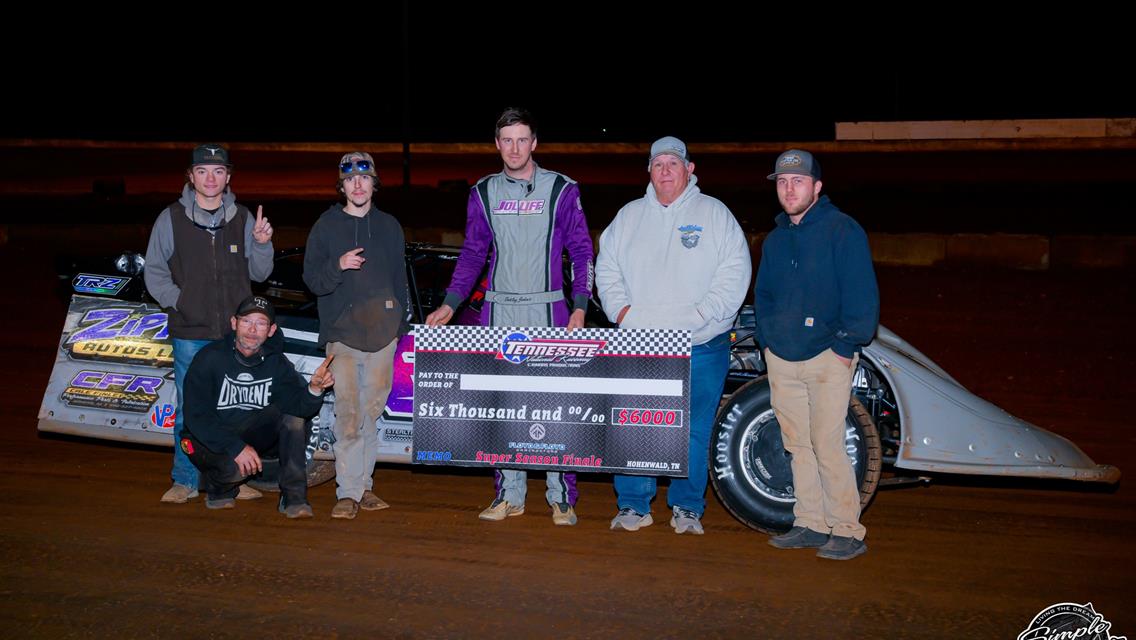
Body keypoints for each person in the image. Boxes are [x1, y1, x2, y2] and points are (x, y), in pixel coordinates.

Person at [424, 107, 594, 526]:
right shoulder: (482, 192)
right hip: (498, 313)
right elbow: (472, 253)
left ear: (534, 142)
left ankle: (561, 497)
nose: (515, 148)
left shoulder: (562, 189)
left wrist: (580, 305)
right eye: (507, 140)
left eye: (522, 139)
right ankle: (509, 494)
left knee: (557, 405)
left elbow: (583, 251)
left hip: (551, 310)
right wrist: (451, 301)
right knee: (503, 405)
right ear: (496, 144)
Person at [595, 136, 750, 535]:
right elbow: (606, 268)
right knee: (635, 424)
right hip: (640, 343)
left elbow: (734, 273)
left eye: (673, 164)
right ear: (649, 170)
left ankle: (686, 507)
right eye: (658, 163)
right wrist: (623, 312)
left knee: (694, 429)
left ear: (689, 169)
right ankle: (633, 505)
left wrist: (701, 316)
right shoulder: (628, 216)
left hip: (701, 344)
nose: (665, 171)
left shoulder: (715, 214)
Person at [756, 149, 879, 560]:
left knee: (827, 443)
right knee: (797, 444)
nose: (789, 189)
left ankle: (847, 529)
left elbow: (862, 298)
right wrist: (768, 341)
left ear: (817, 187)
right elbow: (765, 296)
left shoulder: (844, 231)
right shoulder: (775, 240)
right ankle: (810, 522)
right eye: (782, 182)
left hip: (828, 357)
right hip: (783, 358)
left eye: (798, 181)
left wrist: (845, 347)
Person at [144, 143, 274, 505]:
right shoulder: (170, 218)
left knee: (235, 410)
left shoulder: (244, 218)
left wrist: (263, 243)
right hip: (191, 333)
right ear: (191, 176)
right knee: (190, 408)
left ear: (228, 176)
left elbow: (261, 272)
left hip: (236, 337)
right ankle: (185, 479)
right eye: (202, 171)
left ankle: (230, 480)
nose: (211, 178)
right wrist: (182, 302)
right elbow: (154, 272)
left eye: (218, 171)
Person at [303, 152, 410, 520]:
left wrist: (400, 324)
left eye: (364, 178)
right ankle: (347, 493)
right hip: (344, 336)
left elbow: (400, 280)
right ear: (343, 185)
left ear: (374, 183)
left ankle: (364, 487)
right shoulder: (326, 226)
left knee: (370, 414)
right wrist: (338, 265)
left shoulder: (390, 226)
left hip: (383, 336)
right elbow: (312, 281)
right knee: (348, 416)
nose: (358, 185)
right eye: (350, 180)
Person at [180, 295, 333, 518]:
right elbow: (196, 417)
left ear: (271, 330)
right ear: (234, 323)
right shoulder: (209, 358)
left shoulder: (276, 362)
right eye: (246, 321)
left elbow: (300, 407)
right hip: (206, 439)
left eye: (261, 323)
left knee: (292, 418)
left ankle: (293, 497)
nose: (252, 330)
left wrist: (315, 389)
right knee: (232, 470)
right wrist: (235, 447)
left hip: (248, 432)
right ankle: (218, 487)